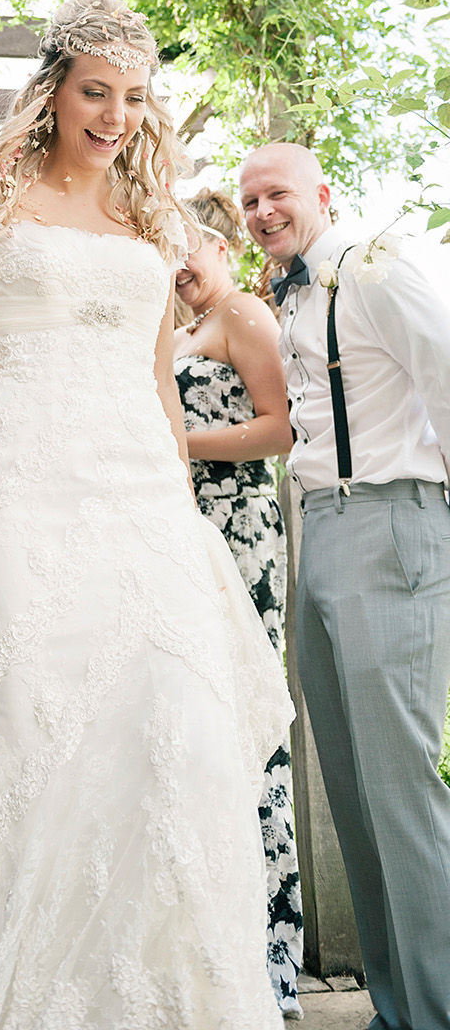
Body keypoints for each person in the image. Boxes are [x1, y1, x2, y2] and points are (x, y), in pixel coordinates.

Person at [0, 0, 294, 1028]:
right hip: (22, 489)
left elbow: (157, 374)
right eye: (96, 91)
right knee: (44, 756)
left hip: (141, 496)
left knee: (184, 733)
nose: (115, 115)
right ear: (54, 89)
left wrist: (178, 498)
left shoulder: (154, 211)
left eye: (132, 96)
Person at [239, 141, 450, 1030]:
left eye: (276, 193)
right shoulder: (287, 297)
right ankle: (396, 1006)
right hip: (317, 529)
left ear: (321, 193)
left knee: (401, 790)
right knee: (354, 792)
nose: (261, 212)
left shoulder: (374, 270)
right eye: (249, 201)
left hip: (392, 519)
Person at [172, 188, 303, 1018]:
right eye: (168, 249)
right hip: (182, 534)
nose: (181, 264)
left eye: (193, 247)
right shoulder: (177, 330)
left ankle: (273, 953)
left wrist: (175, 443)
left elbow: (282, 425)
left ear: (225, 249)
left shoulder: (244, 314)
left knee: (248, 723)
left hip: (242, 532)